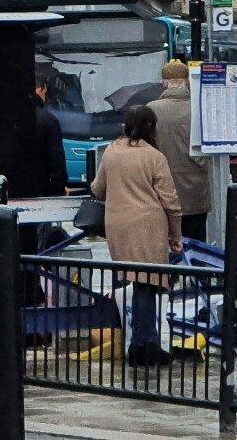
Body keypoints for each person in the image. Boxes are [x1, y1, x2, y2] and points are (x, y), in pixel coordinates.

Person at [91, 104, 182, 367]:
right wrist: (176, 234)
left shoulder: (111, 151)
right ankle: (144, 345)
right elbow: (170, 201)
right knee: (147, 283)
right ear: (151, 126)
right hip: (148, 225)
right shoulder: (154, 156)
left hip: (117, 225)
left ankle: (133, 339)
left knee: (130, 278)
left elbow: (98, 188)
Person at [148, 59, 210, 241]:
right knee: (197, 246)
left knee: (167, 244)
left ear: (164, 82)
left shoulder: (151, 110)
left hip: (162, 189)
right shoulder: (199, 107)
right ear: (187, 81)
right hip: (196, 188)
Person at [33, 68, 67, 195]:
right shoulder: (48, 120)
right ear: (40, 89)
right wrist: (59, 189)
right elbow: (57, 161)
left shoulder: (9, 118)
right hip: (41, 189)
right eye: (45, 91)